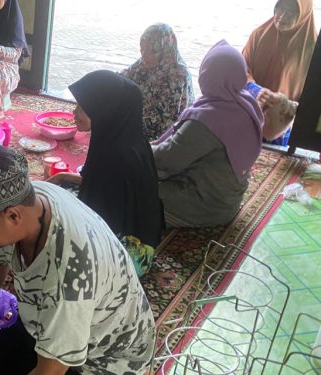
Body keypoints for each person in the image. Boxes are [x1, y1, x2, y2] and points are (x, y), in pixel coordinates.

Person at [0, 143, 155, 375]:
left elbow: (51, 371)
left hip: (102, 362)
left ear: (13, 216)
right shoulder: (27, 199)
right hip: (47, 322)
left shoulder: (66, 279)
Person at [47, 70, 163, 276]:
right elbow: (103, 188)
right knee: (57, 195)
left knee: (46, 220)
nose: (75, 112)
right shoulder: (126, 140)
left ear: (105, 110)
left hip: (124, 259)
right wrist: (66, 177)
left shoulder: (116, 157)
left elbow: (98, 219)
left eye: (83, 108)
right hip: (139, 241)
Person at [153, 40, 263, 228]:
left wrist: (136, 147)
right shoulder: (244, 102)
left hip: (205, 206)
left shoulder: (209, 120)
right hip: (227, 199)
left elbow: (167, 159)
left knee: (129, 187)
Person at [243, 0, 317, 140]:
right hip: (251, 110)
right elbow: (241, 69)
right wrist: (257, 91)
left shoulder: (313, 50)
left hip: (284, 123)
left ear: (304, 15)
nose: (282, 17)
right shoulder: (259, 35)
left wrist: (285, 107)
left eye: (290, 12)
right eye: (280, 9)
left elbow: (313, 98)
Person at [121, 23, 194, 141]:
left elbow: (171, 122)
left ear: (163, 49)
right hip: (136, 125)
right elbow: (122, 79)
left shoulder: (179, 75)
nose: (143, 56)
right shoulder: (142, 64)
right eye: (141, 50)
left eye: (149, 51)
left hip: (164, 138)